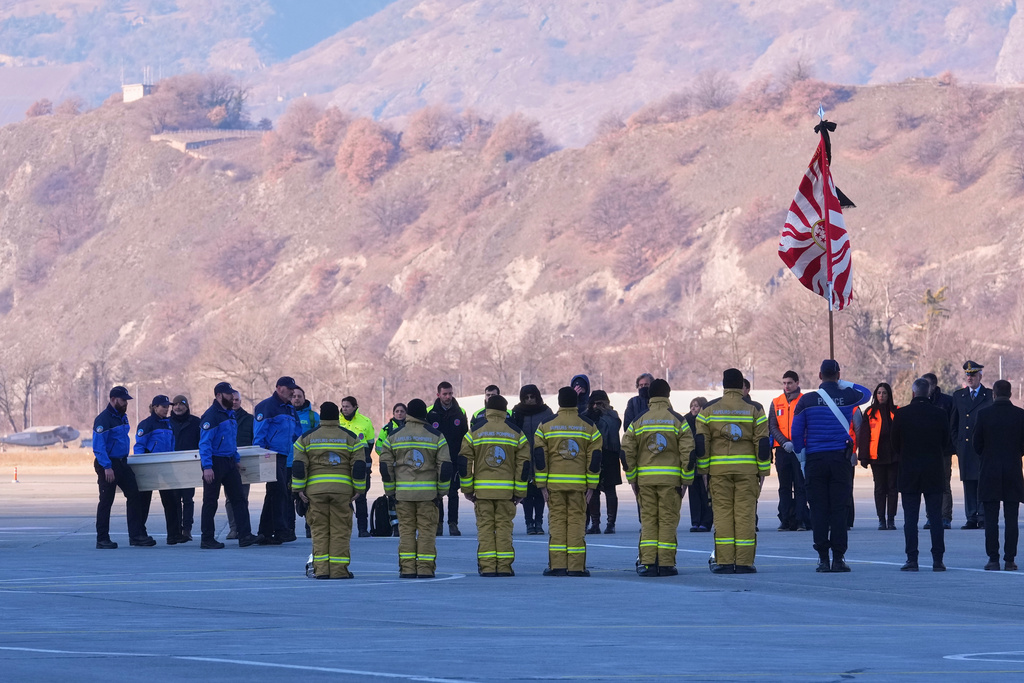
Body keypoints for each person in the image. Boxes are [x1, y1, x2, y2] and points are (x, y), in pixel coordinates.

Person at [791, 359, 871, 573]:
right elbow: (867, 393)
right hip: (840, 460)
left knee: (818, 509)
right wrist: (842, 383)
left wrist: (802, 458)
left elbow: (796, 433)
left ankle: (823, 559)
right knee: (839, 509)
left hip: (815, 461)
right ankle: (839, 558)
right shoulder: (848, 396)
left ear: (819, 376)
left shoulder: (806, 400)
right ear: (837, 374)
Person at [697, 369, 771, 574]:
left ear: (723, 385)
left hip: (719, 472)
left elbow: (702, 443)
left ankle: (725, 561)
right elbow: (762, 443)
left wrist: (704, 471)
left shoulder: (708, 410)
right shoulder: (755, 409)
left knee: (722, 515)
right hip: (747, 472)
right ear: (742, 386)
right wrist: (763, 473)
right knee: (745, 516)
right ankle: (745, 562)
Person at [622, 379, 695, 577]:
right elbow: (688, 452)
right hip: (671, 482)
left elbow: (627, 450)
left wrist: (632, 478)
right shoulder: (678, 420)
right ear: (668, 395)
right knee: (668, 521)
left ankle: (647, 563)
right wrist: (686, 481)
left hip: (645, 481)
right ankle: (665, 564)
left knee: (648, 521)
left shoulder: (639, 420)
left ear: (649, 397)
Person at [292, 401, 366, 579]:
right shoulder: (351, 437)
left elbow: (299, 466)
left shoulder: (306, 438)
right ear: (337, 415)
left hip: (315, 492)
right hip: (342, 491)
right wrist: (359, 489)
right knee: (340, 530)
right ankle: (339, 570)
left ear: (321, 416)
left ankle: (322, 570)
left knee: (319, 531)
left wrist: (299, 489)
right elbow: (359, 465)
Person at [377, 399, 450, 578]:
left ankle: (408, 569)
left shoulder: (394, 436)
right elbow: (446, 466)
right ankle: (425, 569)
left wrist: (390, 490)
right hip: (428, 495)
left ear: (408, 413)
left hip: (403, 495)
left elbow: (385, 466)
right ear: (425, 414)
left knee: (406, 531)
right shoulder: (436, 436)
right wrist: (442, 491)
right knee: (426, 532)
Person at [535, 387, 603, 577]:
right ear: (576, 402)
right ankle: (576, 567)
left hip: (554, 486)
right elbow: (595, 457)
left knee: (556, 523)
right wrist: (592, 485)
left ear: (559, 401)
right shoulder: (589, 426)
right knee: (576, 524)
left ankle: (557, 566)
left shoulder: (545, 425)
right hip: (579, 486)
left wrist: (542, 485)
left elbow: (540, 457)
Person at [459, 394, 530, 577]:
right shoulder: (516, 433)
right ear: (505, 410)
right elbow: (524, 465)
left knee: (485, 529)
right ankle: (505, 567)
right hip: (507, 493)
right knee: (504, 528)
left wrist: (467, 489)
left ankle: (488, 567)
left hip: (482, 492)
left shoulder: (474, 431)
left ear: (487, 409)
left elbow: (464, 461)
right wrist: (520, 491)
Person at [891, 378, 952, 571]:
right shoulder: (940, 414)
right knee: (935, 517)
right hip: (933, 470)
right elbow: (947, 443)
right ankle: (937, 560)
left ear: (913, 393)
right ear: (929, 393)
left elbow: (894, 443)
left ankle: (912, 559)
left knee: (910, 518)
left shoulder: (901, 414)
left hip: (909, 471)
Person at [93, 386, 154, 549]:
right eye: (123, 400)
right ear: (113, 399)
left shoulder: (122, 417)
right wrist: (107, 467)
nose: (125, 403)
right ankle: (102, 538)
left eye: (126, 400)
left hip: (122, 462)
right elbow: (99, 446)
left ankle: (136, 536)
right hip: (108, 464)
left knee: (134, 495)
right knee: (106, 501)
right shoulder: (103, 419)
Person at [973, 379, 1024, 571]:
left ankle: (993, 558)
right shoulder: (1020, 415)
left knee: (991, 519)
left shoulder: (984, 414)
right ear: (1010, 394)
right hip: (1012, 471)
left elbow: (977, 444)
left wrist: (988, 456)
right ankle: (1010, 559)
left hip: (989, 471)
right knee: (1012, 519)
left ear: (993, 394)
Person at [199, 381, 256, 549]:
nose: (232, 397)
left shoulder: (229, 413)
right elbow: (205, 444)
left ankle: (245, 535)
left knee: (239, 499)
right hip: (215, 463)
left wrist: (236, 458)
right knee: (210, 501)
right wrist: (207, 467)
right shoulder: (211, 416)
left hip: (229, 461)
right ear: (218, 396)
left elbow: (232, 440)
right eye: (228, 395)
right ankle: (207, 538)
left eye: (232, 395)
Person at [254, 376, 301, 544]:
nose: (292, 391)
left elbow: (297, 431)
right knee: (280, 492)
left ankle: (265, 533)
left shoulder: (289, 408)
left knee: (273, 493)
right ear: (279, 388)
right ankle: (281, 530)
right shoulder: (267, 407)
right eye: (289, 388)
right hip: (269, 455)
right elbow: (259, 435)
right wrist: (261, 456)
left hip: (283, 456)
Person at [950, 361, 993, 530]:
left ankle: (982, 516)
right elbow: (954, 423)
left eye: (973, 375)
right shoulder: (958, 396)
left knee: (983, 481)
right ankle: (971, 516)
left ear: (980, 376)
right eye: (967, 375)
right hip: (966, 447)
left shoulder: (989, 395)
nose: (970, 378)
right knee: (968, 482)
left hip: (983, 447)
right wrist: (957, 444)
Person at [134, 395, 181, 544]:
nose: (167, 409)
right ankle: (139, 533)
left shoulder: (168, 424)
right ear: (155, 407)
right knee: (143, 502)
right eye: (164, 406)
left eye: (168, 406)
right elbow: (139, 447)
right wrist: (142, 466)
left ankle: (173, 534)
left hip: (164, 466)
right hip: (149, 466)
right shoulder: (146, 424)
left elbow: (171, 445)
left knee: (171, 500)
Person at [511, 385, 554, 535]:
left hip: (541, 457)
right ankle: (529, 522)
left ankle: (539, 522)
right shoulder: (516, 412)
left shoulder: (546, 412)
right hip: (523, 458)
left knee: (540, 491)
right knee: (527, 493)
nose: (530, 400)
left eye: (532, 397)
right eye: (526, 397)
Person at [428, 381, 469, 537]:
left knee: (453, 493)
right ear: (438, 395)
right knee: (437, 493)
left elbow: (465, 437)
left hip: (454, 459)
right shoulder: (430, 413)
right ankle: (438, 524)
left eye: (450, 393)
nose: (448, 396)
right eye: (445, 394)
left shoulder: (460, 412)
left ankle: (453, 524)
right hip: (436, 461)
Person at [770, 371, 809, 532]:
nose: (787, 386)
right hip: (782, 450)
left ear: (797, 383)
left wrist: (798, 443)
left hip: (799, 449)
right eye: (784, 383)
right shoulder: (776, 402)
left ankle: (800, 520)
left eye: (790, 383)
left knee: (800, 485)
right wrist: (784, 442)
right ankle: (785, 519)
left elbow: (808, 423)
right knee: (784, 486)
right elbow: (772, 425)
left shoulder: (804, 401)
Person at [857, 383, 899, 531]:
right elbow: (864, 436)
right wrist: (863, 457)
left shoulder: (896, 411)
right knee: (880, 488)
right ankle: (881, 519)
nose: (881, 395)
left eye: (884, 393)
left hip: (894, 456)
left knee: (893, 488)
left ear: (889, 395)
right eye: (879, 393)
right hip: (877, 456)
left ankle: (891, 519)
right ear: (875, 395)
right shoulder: (869, 412)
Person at [585, 390, 622, 534]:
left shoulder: (612, 415)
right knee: (592, 491)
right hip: (593, 455)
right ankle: (595, 523)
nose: (596, 406)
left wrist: (602, 416)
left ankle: (610, 523)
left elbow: (614, 428)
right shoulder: (586, 416)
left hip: (609, 455)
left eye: (599, 403)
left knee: (610, 491)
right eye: (593, 403)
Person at [922, 372, 954, 529]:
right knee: (928, 485)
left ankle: (945, 517)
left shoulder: (947, 402)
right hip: (926, 450)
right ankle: (931, 516)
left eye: (927, 384)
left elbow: (952, 426)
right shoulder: (921, 402)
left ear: (934, 386)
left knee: (944, 484)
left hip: (943, 450)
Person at [339, 396, 375, 537]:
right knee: (342, 499)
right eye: (343, 406)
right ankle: (343, 529)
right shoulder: (337, 422)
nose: (344, 409)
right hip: (342, 466)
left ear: (355, 407)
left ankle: (362, 528)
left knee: (361, 497)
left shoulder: (365, 422)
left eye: (347, 406)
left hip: (361, 466)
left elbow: (370, 443)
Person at [168, 394, 200, 542]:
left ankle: (187, 529)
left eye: (181, 404)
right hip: (172, 466)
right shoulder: (167, 423)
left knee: (188, 499)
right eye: (175, 405)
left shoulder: (195, 422)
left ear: (187, 407)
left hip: (189, 465)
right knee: (174, 499)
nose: (178, 407)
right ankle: (175, 530)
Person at [225, 390, 252, 540]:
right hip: (227, 462)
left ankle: (243, 529)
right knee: (229, 498)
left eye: (236, 399)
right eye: (232, 399)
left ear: (240, 401)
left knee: (243, 497)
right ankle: (233, 528)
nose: (234, 402)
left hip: (244, 462)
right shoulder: (221, 418)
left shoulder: (249, 419)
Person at [685, 397, 713, 532]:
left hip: (706, 461)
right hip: (692, 461)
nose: (693, 408)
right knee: (693, 493)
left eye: (696, 406)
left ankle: (706, 522)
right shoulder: (686, 421)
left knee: (706, 492)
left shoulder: (708, 421)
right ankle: (695, 521)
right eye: (692, 405)